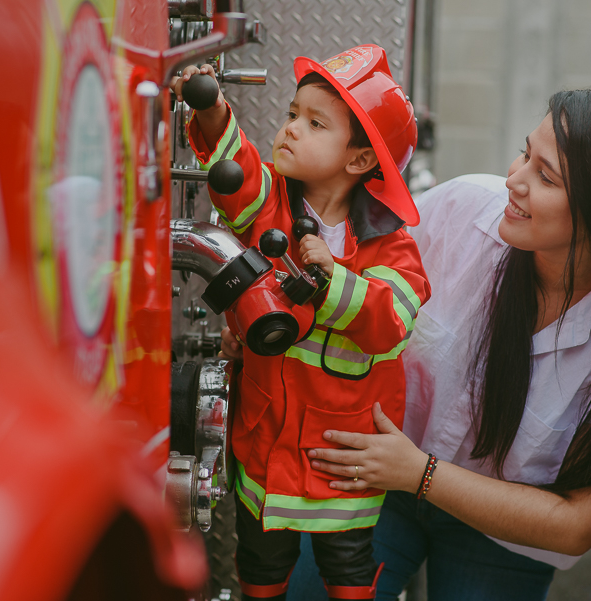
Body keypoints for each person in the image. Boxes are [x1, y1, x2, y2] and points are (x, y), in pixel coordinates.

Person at [279, 89, 591, 601]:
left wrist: (420, 473)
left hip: (504, 532)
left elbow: (576, 525)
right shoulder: (461, 210)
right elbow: (343, 283)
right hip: (375, 474)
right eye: (525, 153)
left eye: (546, 177)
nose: (513, 180)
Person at [172, 45, 431, 601]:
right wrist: (212, 109)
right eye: (292, 114)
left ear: (360, 160)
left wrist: (331, 277)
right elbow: (238, 176)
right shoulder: (273, 207)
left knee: (350, 567)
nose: (289, 129)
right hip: (268, 438)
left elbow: (393, 318)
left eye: (314, 124)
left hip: (344, 456)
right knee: (260, 562)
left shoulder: (391, 244)